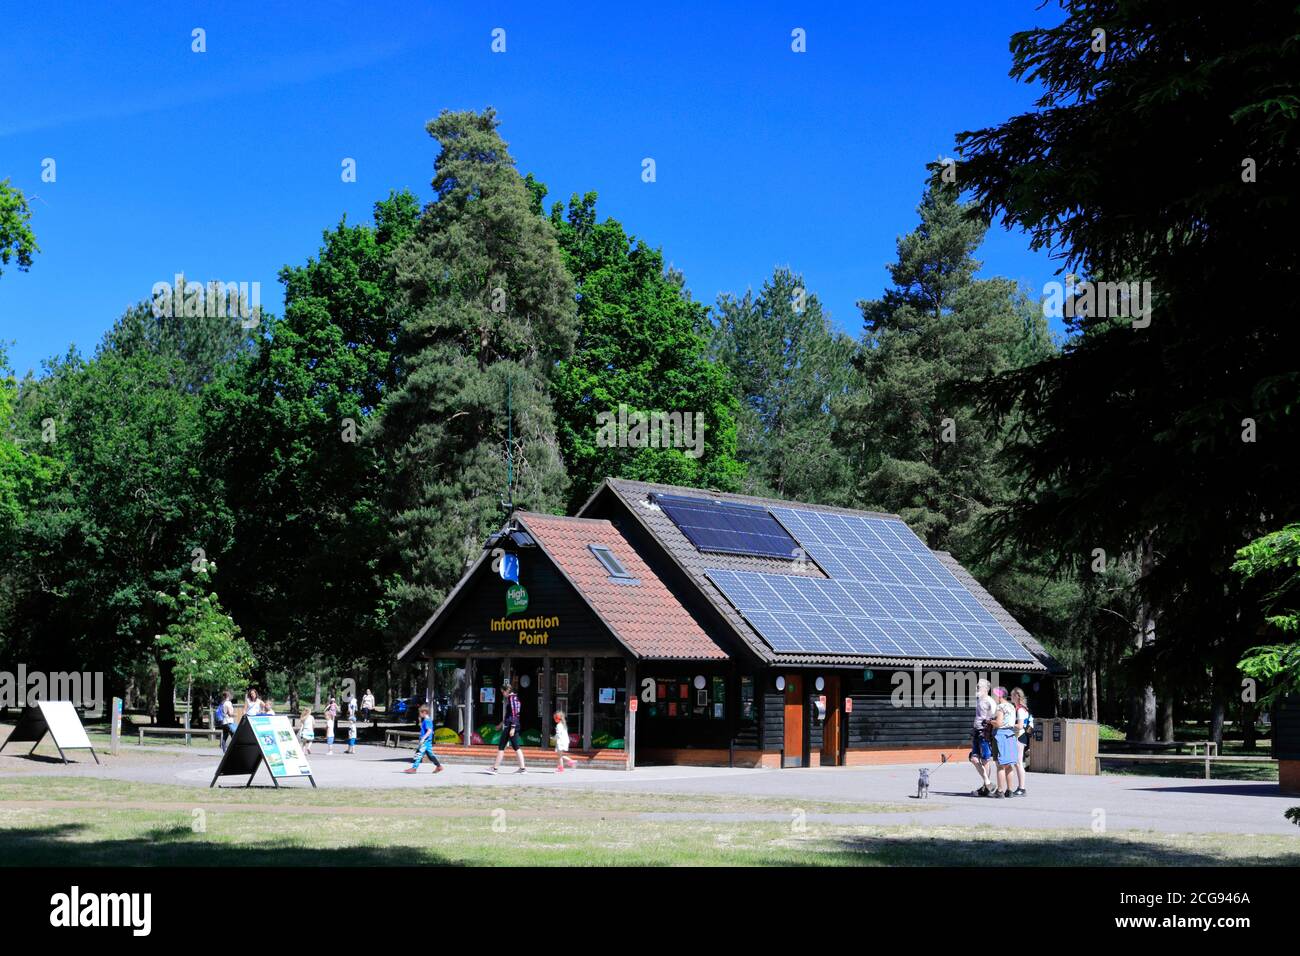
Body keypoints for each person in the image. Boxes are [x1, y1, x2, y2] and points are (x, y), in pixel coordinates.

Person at [489, 681, 527, 774]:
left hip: (511, 725)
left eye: (503, 692)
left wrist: (513, 727)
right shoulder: (514, 698)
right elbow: (509, 715)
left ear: (507, 690)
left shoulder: (512, 699)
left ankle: (495, 769)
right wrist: (501, 724)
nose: (502, 694)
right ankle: (522, 769)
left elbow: (514, 714)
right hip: (512, 724)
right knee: (516, 746)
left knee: (501, 746)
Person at [991, 687, 1020, 797]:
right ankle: (1010, 790)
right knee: (1009, 765)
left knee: (1000, 765)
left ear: (999, 695)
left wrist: (990, 721)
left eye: (994, 695)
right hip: (1011, 736)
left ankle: (1000, 791)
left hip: (1001, 736)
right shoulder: (1012, 706)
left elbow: (998, 723)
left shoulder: (1000, 707)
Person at [969, 678, 996, 796]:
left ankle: (986, 788)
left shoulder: (990, 701)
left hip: (984, 733)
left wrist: (989, 729)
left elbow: (995, 717)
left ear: (986, 689)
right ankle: (988, 782)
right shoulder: (978, 700)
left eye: (979, 686)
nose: (977, 688)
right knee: (973, 759)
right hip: (976, 732)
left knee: (985, 760)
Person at [404, 705, 444, 774]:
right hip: (428, 742)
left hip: (425, 741)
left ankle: (414, 768)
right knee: (430, 755)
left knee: (418, 753)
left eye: (420, 713)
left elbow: (429, 731)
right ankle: (439, 766)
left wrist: (423, 738)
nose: (419, 714)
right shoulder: (428, 720)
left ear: (424, 712)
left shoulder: (427, 721)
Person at [1010, 687, 1033, 797]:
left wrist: (1008, 724)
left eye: (1012, 695)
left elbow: (1019, 726)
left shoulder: (1020, 709)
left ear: (1017, 696)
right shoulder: (1021, 708)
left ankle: (1022, 788)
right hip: (1021, 736)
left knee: (1018, 763)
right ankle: (1020, 787)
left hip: (1020, 736)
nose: (1011, 697)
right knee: (1017, 763)